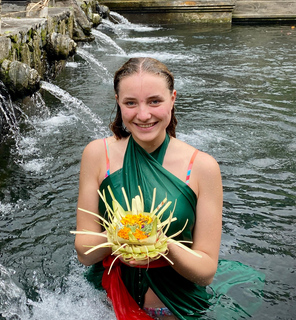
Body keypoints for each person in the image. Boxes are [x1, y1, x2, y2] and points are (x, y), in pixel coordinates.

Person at [74, 57, 223, 320]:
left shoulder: (202, 168)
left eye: (155, 101)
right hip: (106, 306)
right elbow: (84, 251)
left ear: (173, 99)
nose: (143, 115)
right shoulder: (98, 155)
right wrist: (120, 236)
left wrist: (162, 245)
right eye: (131, 103)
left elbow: (207, 270)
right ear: (118, 102)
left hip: (173, 310)